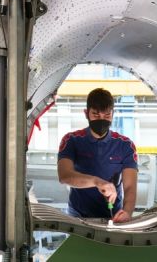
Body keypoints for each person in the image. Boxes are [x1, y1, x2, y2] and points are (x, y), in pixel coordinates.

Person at [56, 88, 138, 223]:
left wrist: (127, 212)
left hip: (114, 215)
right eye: (96, 115)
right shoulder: (71, 140)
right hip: (78, 215)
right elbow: (64, 176)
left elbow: (130, 187)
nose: (101, 120)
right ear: (86, 113)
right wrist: (97, 182)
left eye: (107, 115)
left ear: (113, 114)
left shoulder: (125, 145)